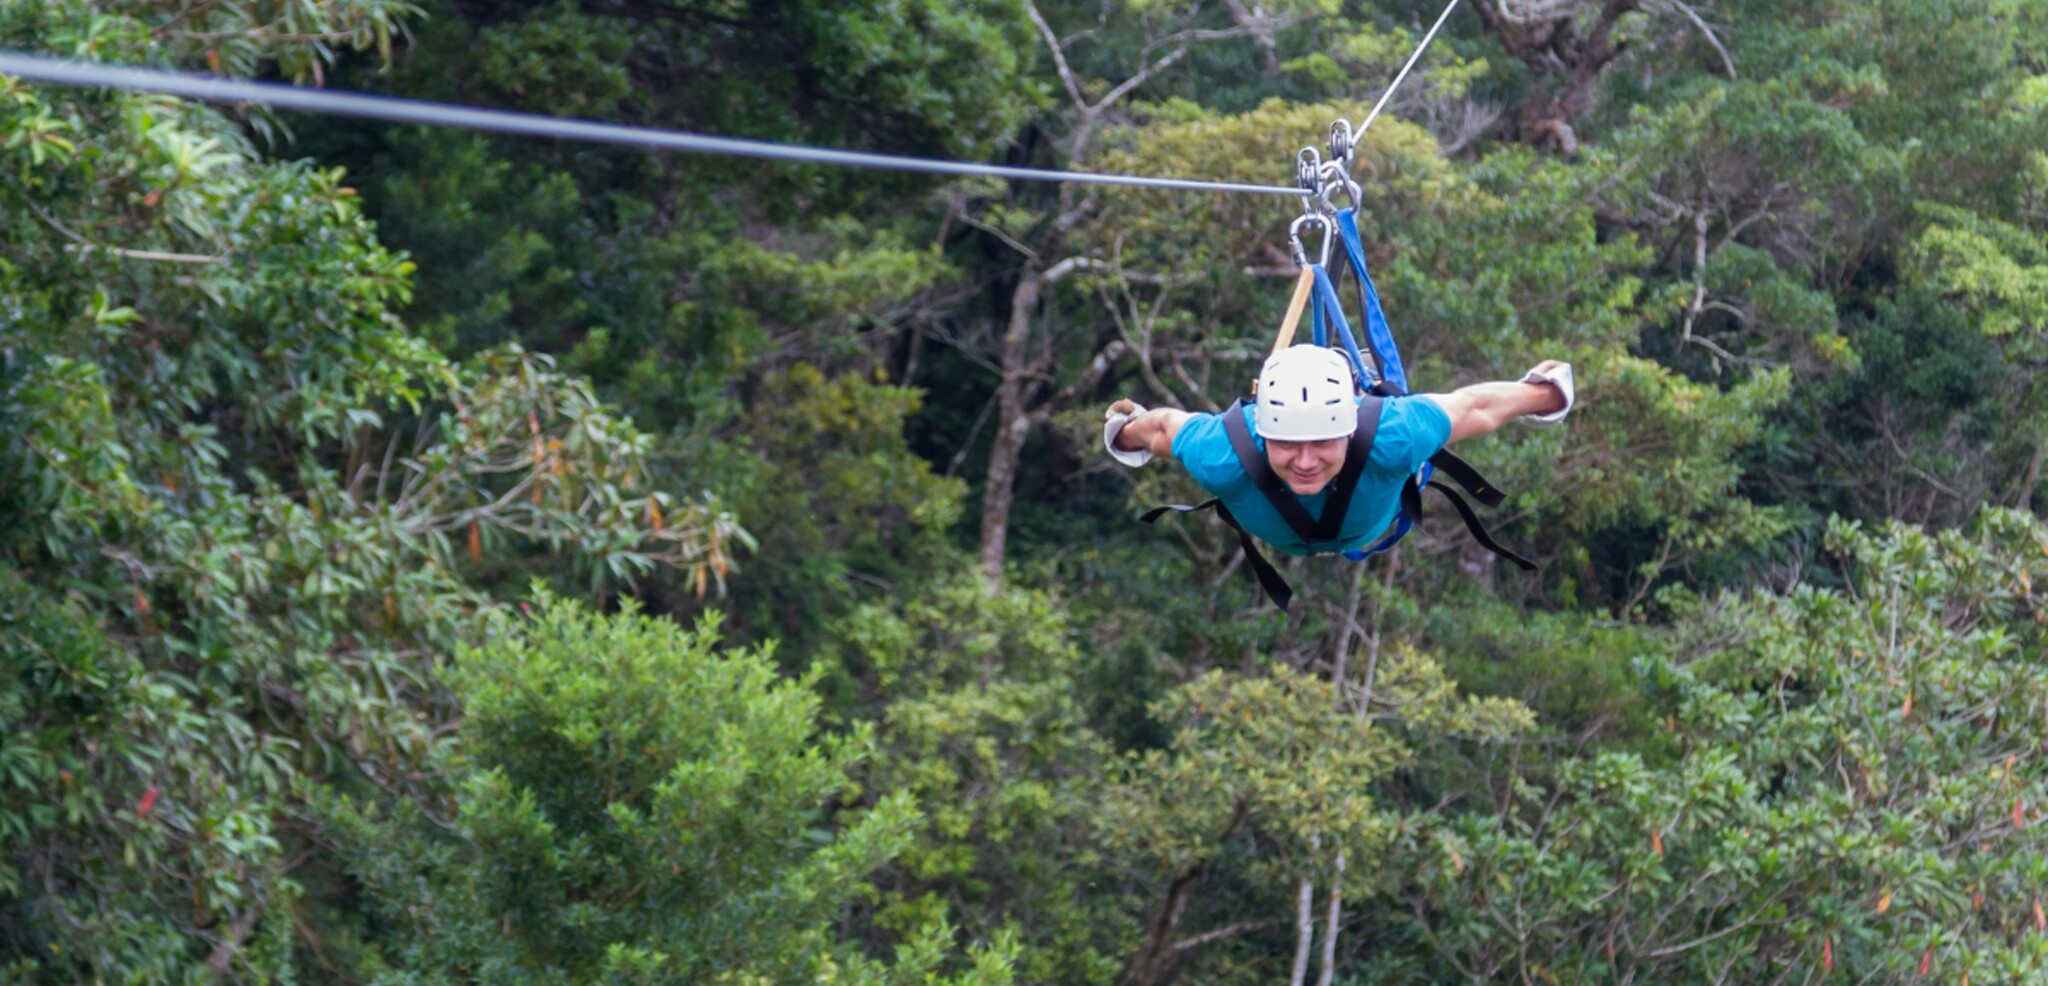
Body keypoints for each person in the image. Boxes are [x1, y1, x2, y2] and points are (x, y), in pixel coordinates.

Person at [1102, 346, 1573, 600]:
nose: (1306, 462)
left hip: (1372, 491)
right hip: (1357, 512)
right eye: (1287, 444)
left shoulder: (1392, 435)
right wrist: (1124, 432)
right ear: (1262, 434)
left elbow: (1476, 407)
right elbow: (1161, 429)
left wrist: (1545, 395)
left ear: (1349, 430)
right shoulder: (1224, 454)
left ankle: (1361, 378)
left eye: (1322, 443)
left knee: (1405, 431)